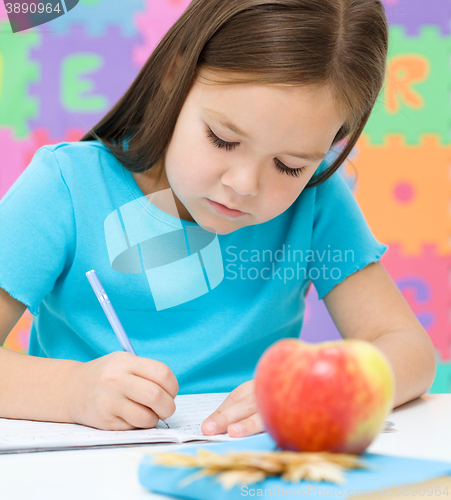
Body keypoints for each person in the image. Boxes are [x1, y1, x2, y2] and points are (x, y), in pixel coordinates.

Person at [0, 0, 436, 438]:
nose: (245, 184)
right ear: (174, 78)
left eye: (289, 165)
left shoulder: (315, 201)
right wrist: (73, 392)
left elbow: (409, 350)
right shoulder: (67, 187)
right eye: (223, 139)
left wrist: (330, 389)